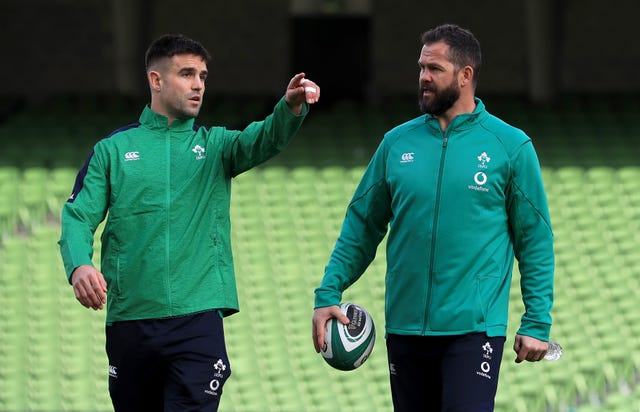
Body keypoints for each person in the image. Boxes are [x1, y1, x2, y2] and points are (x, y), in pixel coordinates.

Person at [58, 33, 320, 412]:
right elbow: (78, 216)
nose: (198, 84)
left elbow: (262, 140)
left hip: (197, 321)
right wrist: (79, 264)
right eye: (186, 74)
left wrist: (289, 108)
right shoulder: (111, 151)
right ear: (156, 80)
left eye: (203, 75)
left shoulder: (216, 146)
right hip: (131, 321)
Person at [312, 24, 554, 411]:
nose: (423, 77)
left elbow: (535, 240)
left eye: (435, 69)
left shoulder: (510, 146)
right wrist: (328, 293)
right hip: (405, 328)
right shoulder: (396, 143)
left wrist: (537, 321)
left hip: (473, 330)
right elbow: (361, 226)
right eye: (421, 67)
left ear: (466, 75)